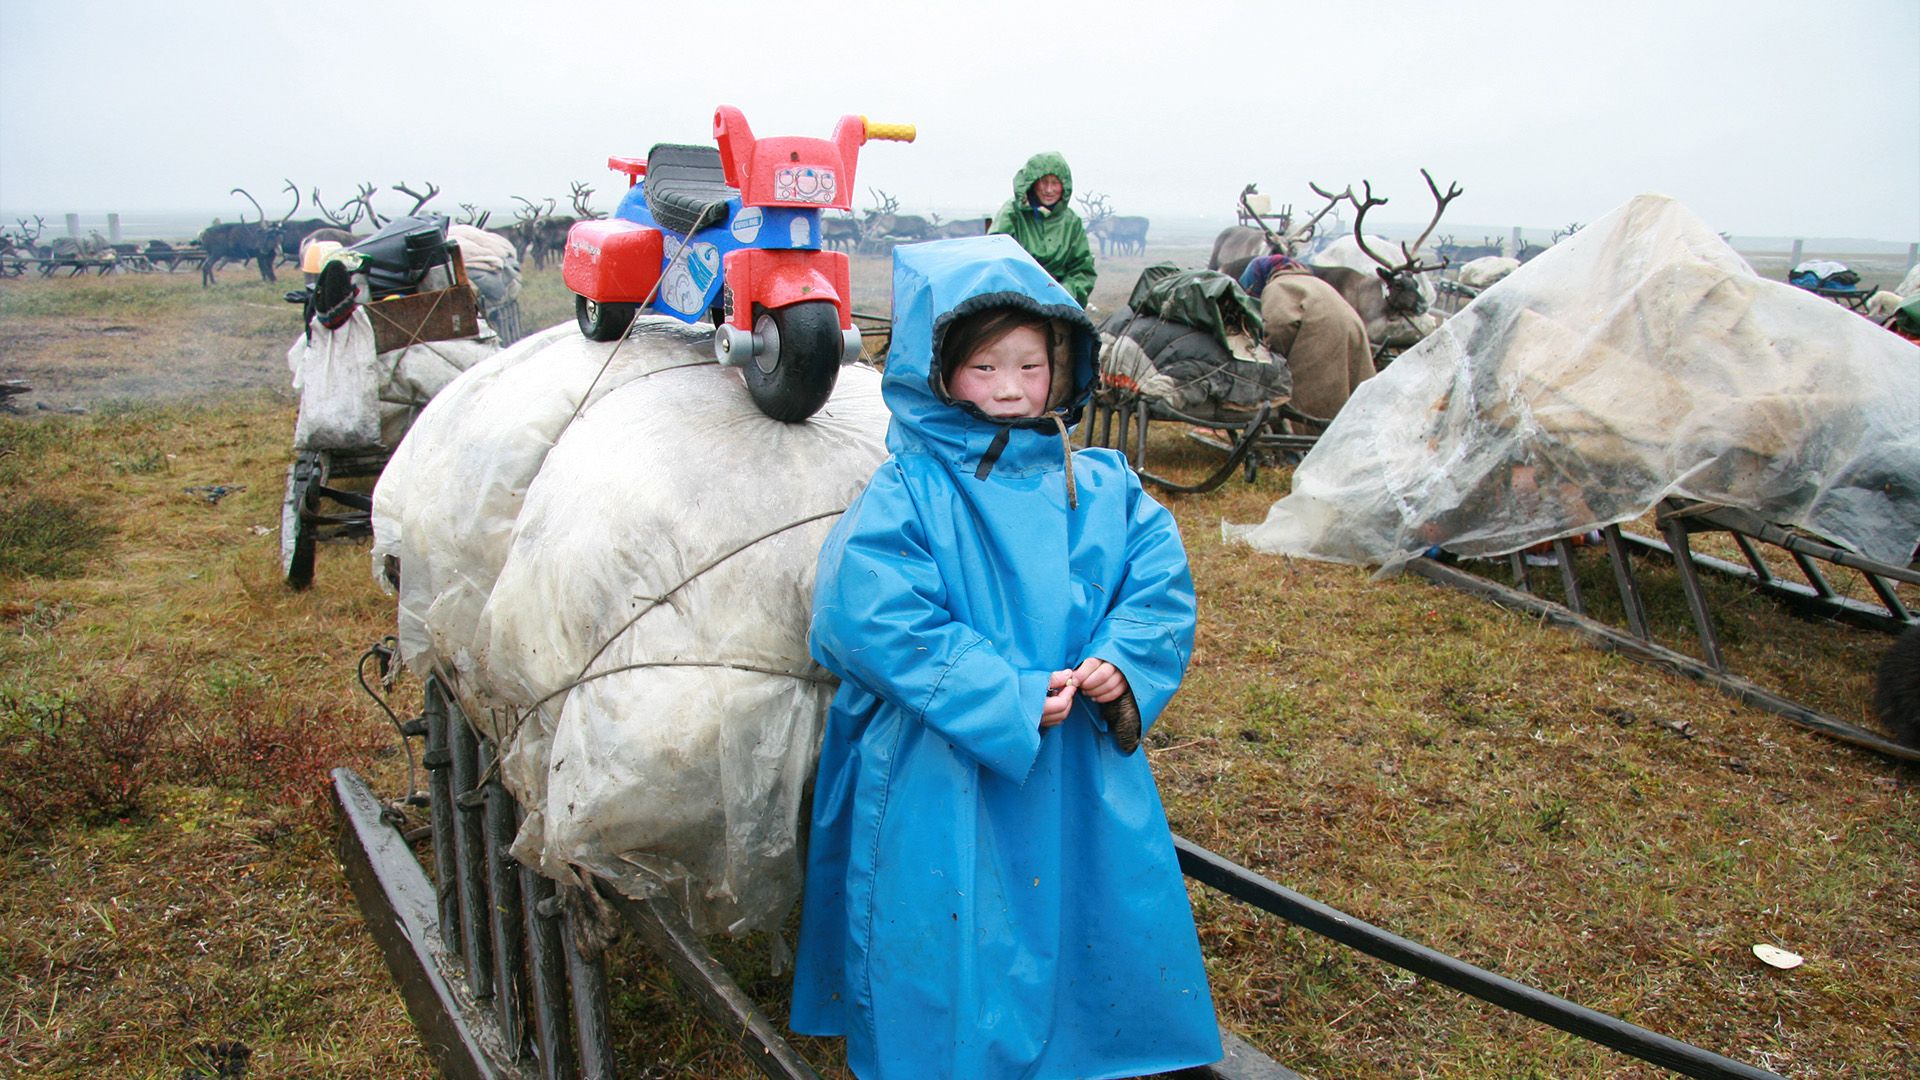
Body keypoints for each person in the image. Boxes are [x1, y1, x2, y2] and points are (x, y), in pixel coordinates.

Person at [789, 233, 1220, 1079]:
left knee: (1080, 902)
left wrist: (1124, 662)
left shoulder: (1102, 486)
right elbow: (865, 612)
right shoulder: (911, 488)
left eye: (1030, 365)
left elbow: (1157, 581)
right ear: (938, 370)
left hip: (1076, 764)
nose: (1012, 389)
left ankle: (1090, 1037)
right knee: (949, 917)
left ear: (1064, 365)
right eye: (985, 368)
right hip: (937, 761)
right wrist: (1002, 693)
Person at [989, 151, 1097, 307]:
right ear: (1032, 183)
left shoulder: (1071, 221)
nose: (1049, 189)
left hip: (1059, 301)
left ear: (1064, 186)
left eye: (1055, 183)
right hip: (1015, 300)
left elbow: (1082, 270)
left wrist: (1062, 293)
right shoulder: (1011, 213)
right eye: (1044, 182)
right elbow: (996, 258)